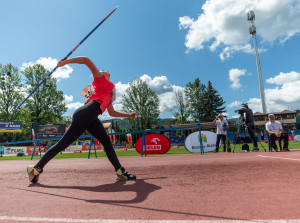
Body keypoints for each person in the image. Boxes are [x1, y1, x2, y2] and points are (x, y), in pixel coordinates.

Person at [27, 56, 137, 183]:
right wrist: (65, 63)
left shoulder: (108, 91)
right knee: (62, 144)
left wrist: (129, 115)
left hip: (91, 117)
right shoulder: (101, 80)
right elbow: (85, 60)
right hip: (85, 114)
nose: (105, 70)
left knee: (107, 142)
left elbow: (112, 113)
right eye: (102, 70)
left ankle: (120, 172)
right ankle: (35, 169)